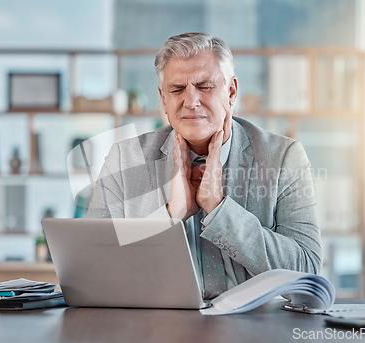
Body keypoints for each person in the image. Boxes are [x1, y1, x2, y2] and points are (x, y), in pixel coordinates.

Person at [87, 32, 321, 299]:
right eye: (176, 90)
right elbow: (93, 271)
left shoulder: (283, 157)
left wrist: (220, 211)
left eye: (204, 86)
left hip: (255, 328)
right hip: (158, 328)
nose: (190, 101)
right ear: (163, 99)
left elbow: (307, 274)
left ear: (231, 91)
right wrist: (170, 216)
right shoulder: (124, 159)